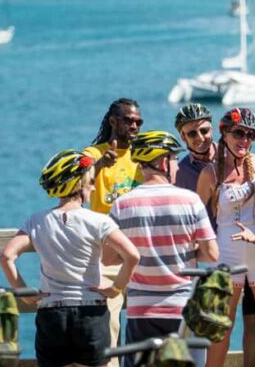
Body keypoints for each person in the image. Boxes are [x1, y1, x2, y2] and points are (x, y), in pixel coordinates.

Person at [0, 149, 140, 367]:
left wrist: (25, 294)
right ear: (78, 185)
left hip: (52, 312)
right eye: (91, 182)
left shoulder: (37, 221)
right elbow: (132, 255)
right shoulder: (98, 221)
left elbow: (7, 256)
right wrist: (115, 288)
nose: (93, 187)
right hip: (90, 311)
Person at [108, 131, 219, 367]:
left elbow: (108, 258)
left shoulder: (121, 205)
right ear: (161, 163)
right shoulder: (190, 200)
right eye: (173, 159)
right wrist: (188, 253)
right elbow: (212, 253)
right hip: (183, 309)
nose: (177, 165)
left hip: (141, 311)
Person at [197, 108, 255, 367]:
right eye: (239, 132)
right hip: (226, 255)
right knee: (219, 331)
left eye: (251, 135)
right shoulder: (209, 173)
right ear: (224, 132)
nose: (245, 140)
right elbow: (195, 217)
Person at [174, 103, 255, 366]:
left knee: (254, 319)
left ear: (214, 129)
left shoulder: (237, 151)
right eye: (192, 134)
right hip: (214, 257)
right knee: (216, 323)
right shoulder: (181, 173)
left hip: (250, 247)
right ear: (183, 137)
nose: (200, 138)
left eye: (204, 130)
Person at [82, 98, 144, 362]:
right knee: (109, 327)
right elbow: (77, 191)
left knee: (144, 329)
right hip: (105, 257)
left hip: (141, 254)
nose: (134, 126)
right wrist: (98, 168)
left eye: (138, 121)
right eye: (128, 120)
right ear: (113, 121)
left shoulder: (143, 155)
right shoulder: (92, 154)